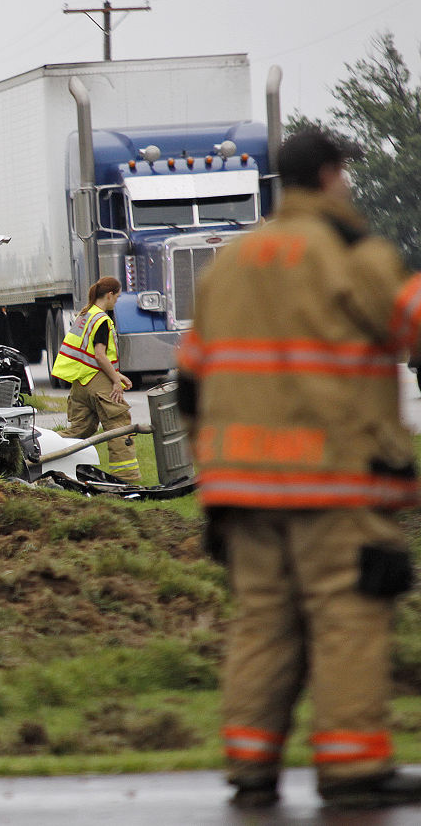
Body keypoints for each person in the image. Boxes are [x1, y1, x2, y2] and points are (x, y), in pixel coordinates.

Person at [178, 129, 421, 809]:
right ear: (329, 173)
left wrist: (213, 464)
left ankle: (250, 766)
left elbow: (191, 379)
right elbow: (411, 322)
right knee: (347, 614)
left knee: (263, 620)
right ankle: (351, 767)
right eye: (345, 172)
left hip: (240, 485)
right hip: (333, 478)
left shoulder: (231, 262)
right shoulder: (350, 252)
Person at [50, 275, 141, 483]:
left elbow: (89, 355)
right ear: (109, 295)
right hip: (97, 383)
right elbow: (100, 355)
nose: (116, 302)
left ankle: (45, 455)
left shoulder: (85, 315)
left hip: (81, 383)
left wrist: (117, 375)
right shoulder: (102, 320)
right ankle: (125, 478)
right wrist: (115, 383)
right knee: (119, 426)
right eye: (116, 298)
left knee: (79, 431)